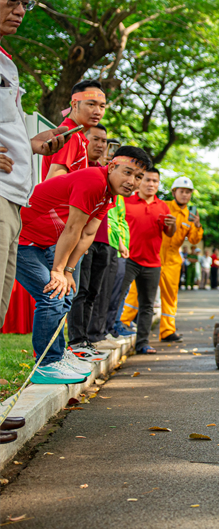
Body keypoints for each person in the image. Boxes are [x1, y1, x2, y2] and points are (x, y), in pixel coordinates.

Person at [17, 147, 149, 382]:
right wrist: (58, 271)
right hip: (21, 238)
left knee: (65, 294)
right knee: (51, 295)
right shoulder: (92, 181)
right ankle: (46, 365)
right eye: (127, 172)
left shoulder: (108, 195)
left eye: (138, 177)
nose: (132, 181)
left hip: (42, 243)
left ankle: (56, 356)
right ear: (112, 167)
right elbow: (73, 228)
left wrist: (68, 271)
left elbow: (88, 234)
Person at [0, 0, 74, 338]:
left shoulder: (5, 62)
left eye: (25, 3)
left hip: (13, 199)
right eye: (11, 0)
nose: (20, 11)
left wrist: (30, 146)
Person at [68, 125, 116, 357]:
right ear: (83, 141)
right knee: (81, 290)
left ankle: (85, 339)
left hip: (104, 240)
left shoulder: (108, 172)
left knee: (93, 292)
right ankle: (76, 340)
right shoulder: (77, 167)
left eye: (104, 141)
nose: (100, 145)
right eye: (95, 139)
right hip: (81, 239)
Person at [120, 164, 176, 354]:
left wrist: (173, 226)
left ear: (158, 184)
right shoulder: (125, 201)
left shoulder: (162, 206)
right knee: (117, 297)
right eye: (147, 180)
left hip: (152, 263)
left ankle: (142, 343)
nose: (151, 184)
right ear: (140, 181)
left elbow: (169, 233)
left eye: (155, 181)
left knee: (147, 305)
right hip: (128, 259)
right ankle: (110, 331)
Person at [42, 79, 106, 182]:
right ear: (75, 105)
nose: (97, 111)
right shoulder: (71, 136)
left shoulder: (76, 135)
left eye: (102, 106)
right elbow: (53, 184)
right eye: (91, 104)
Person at [102, 189, 133, 339]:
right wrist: (120, 243)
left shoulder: (121, 196)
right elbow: (110, 221)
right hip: (111, 244)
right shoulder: (110, 192)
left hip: (119, 248)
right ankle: (105, 330)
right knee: (107, 293)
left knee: (118, 292)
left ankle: (111, 328)